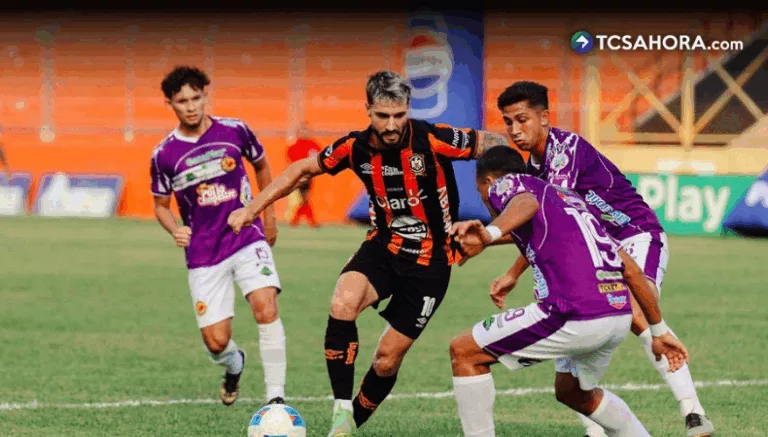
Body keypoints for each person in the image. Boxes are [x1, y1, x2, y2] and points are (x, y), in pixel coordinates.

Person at [228, 69, 510, 436]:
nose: (391, 125)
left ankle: (346, 428)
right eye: (382, 115)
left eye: (399, 115)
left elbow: (494, 144)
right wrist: (251, 209)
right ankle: (341, 410)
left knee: (386, 361)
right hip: (383, 246)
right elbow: (301, 170)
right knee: (342, 303)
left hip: (432, 262)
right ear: (368, 110)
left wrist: (499, 188)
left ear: (408, 108)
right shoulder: (355, 148)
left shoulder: (433, 138)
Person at [471, 81, 714, 437]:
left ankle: (693, 411)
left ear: (544, 117)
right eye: (508, 122)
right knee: (568, 310)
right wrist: (511, 269)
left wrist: (506, 263)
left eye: (522, 119)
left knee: (635, 307)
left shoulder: (564, 151)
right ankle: (594, 426)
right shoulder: (530, 170)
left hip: (633, 235)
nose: (514, 130)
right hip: (593, 248)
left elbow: (555, 220)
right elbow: (545, 229)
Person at [448, 145, 690, 437]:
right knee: (572, 392)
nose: (486, 199)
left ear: (488, 182)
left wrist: (489, 234)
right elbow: (631, 270)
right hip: (616, 313)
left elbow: (525, 203)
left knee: (465, 352)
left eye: (480, 192)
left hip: (574, 313)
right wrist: (658, 331)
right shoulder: (568, 199)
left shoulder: (508, 183)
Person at [150, 65, 287, 407]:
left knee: (265, 306)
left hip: (245, 235)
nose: (191, 107)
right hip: (203, 252)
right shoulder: (163, 155)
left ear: (206, 95)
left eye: (196, 98)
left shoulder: (235, 130)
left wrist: (267, 214)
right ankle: (234, 364)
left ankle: (276, 400)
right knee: (216, 341)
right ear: (170, 104)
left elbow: (261, 165)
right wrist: (175, 228)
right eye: (182, 101)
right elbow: (161, 206)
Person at [286, 122, 322, 227]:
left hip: (309, 175)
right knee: (304, 198)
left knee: (304, 199)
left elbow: (319, 157)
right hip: (299, 175)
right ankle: (309, 221)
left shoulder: (312, 145)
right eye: (303, 131)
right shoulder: (295, 146)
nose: (305, 133)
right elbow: (290, 160)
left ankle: (296, 220)